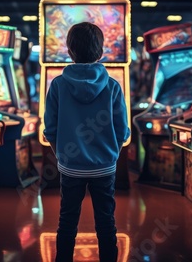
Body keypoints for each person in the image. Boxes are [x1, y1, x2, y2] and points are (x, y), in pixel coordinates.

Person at [43, 22, 131, 262]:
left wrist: (62, 155)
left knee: (67, 222)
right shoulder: (113, 86)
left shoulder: (58, 85)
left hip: (71, 166)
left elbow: (50, 129)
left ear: (69, 51)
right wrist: (110, 153)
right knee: (106, 222)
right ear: (101, 52)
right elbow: (123, 131)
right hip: (105, 167)